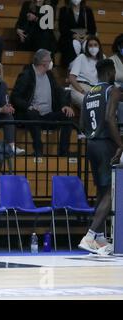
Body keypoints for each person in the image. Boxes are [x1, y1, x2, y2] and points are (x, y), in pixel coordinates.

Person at [78, 59, 122, 255]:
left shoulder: (88, 94)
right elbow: (109, 118)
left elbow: (81, 123)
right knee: (111, 193)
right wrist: (120, 144)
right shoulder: (112, 90)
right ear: (111, 71)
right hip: (106, 144)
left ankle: (100, 239)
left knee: (102, 190)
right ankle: (89, 235)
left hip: (91, 144)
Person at [10, 49, 75, 157]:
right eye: (50, 60)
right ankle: (38, 150)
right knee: (33, 113)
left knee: (67, 115)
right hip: (31, 115)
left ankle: (64, 151)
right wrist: (29, 106)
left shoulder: (49, 74)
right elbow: (15, 97)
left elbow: (59, 91)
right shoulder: (27, 75)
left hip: (47, 115)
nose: (51, 62)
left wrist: (65, 105)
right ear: (43, 62)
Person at [0, 60, 25, 155]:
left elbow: (5, 102)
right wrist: (1, 109)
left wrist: (8, 107)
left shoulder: (2, 85)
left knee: (8, 116)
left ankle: (11, 147)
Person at [69, 35, 105, 111]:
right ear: (87, 47)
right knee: (89, 104)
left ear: (99, 46)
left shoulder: (103, 58)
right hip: (79, 88)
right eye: (90, 45)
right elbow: (71, 78)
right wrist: (82, 91)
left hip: (96, 90)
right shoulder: (82, 57)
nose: (93, 47)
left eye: (95, 45)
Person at [58, 0, 96, 68]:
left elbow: (93, 29)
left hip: (85, 37)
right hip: (69, 38)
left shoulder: (88, 10)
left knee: (88, 44)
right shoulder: (64, 10)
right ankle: (73, 67)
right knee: (75, 44)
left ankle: (89, 67)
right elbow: (62, 29)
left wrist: (86, 36)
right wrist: (74, 36)